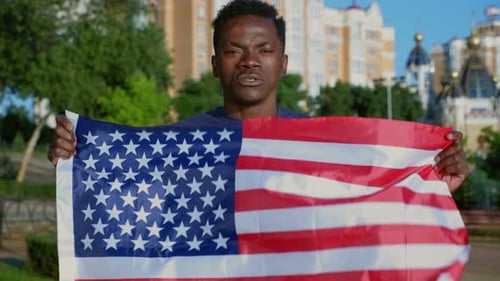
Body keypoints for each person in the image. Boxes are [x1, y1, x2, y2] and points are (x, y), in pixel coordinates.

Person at [47, 0, 471, 192]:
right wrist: (77, 157)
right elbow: (128, 199)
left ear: (283, 63)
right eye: (234, 50)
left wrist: (437, 184)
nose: (250, 61)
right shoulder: (175, 143)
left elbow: (372, 202)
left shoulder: (327, 144)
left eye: (264, 50)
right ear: (215, 64)